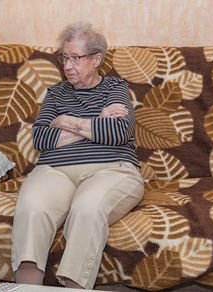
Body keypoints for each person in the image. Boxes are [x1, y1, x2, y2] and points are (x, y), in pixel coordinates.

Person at [11, 22, 144, 289]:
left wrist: (64, 120)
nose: (67, 65)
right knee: (32, 209)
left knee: (87, 208)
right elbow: (41, 137)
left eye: (75, 58)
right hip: (55, 171)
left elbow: (118, 131)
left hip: (112, 169)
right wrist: (94, 124)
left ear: (96, 59)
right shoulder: (56, 93)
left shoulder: (115, 87)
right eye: (64, 57)